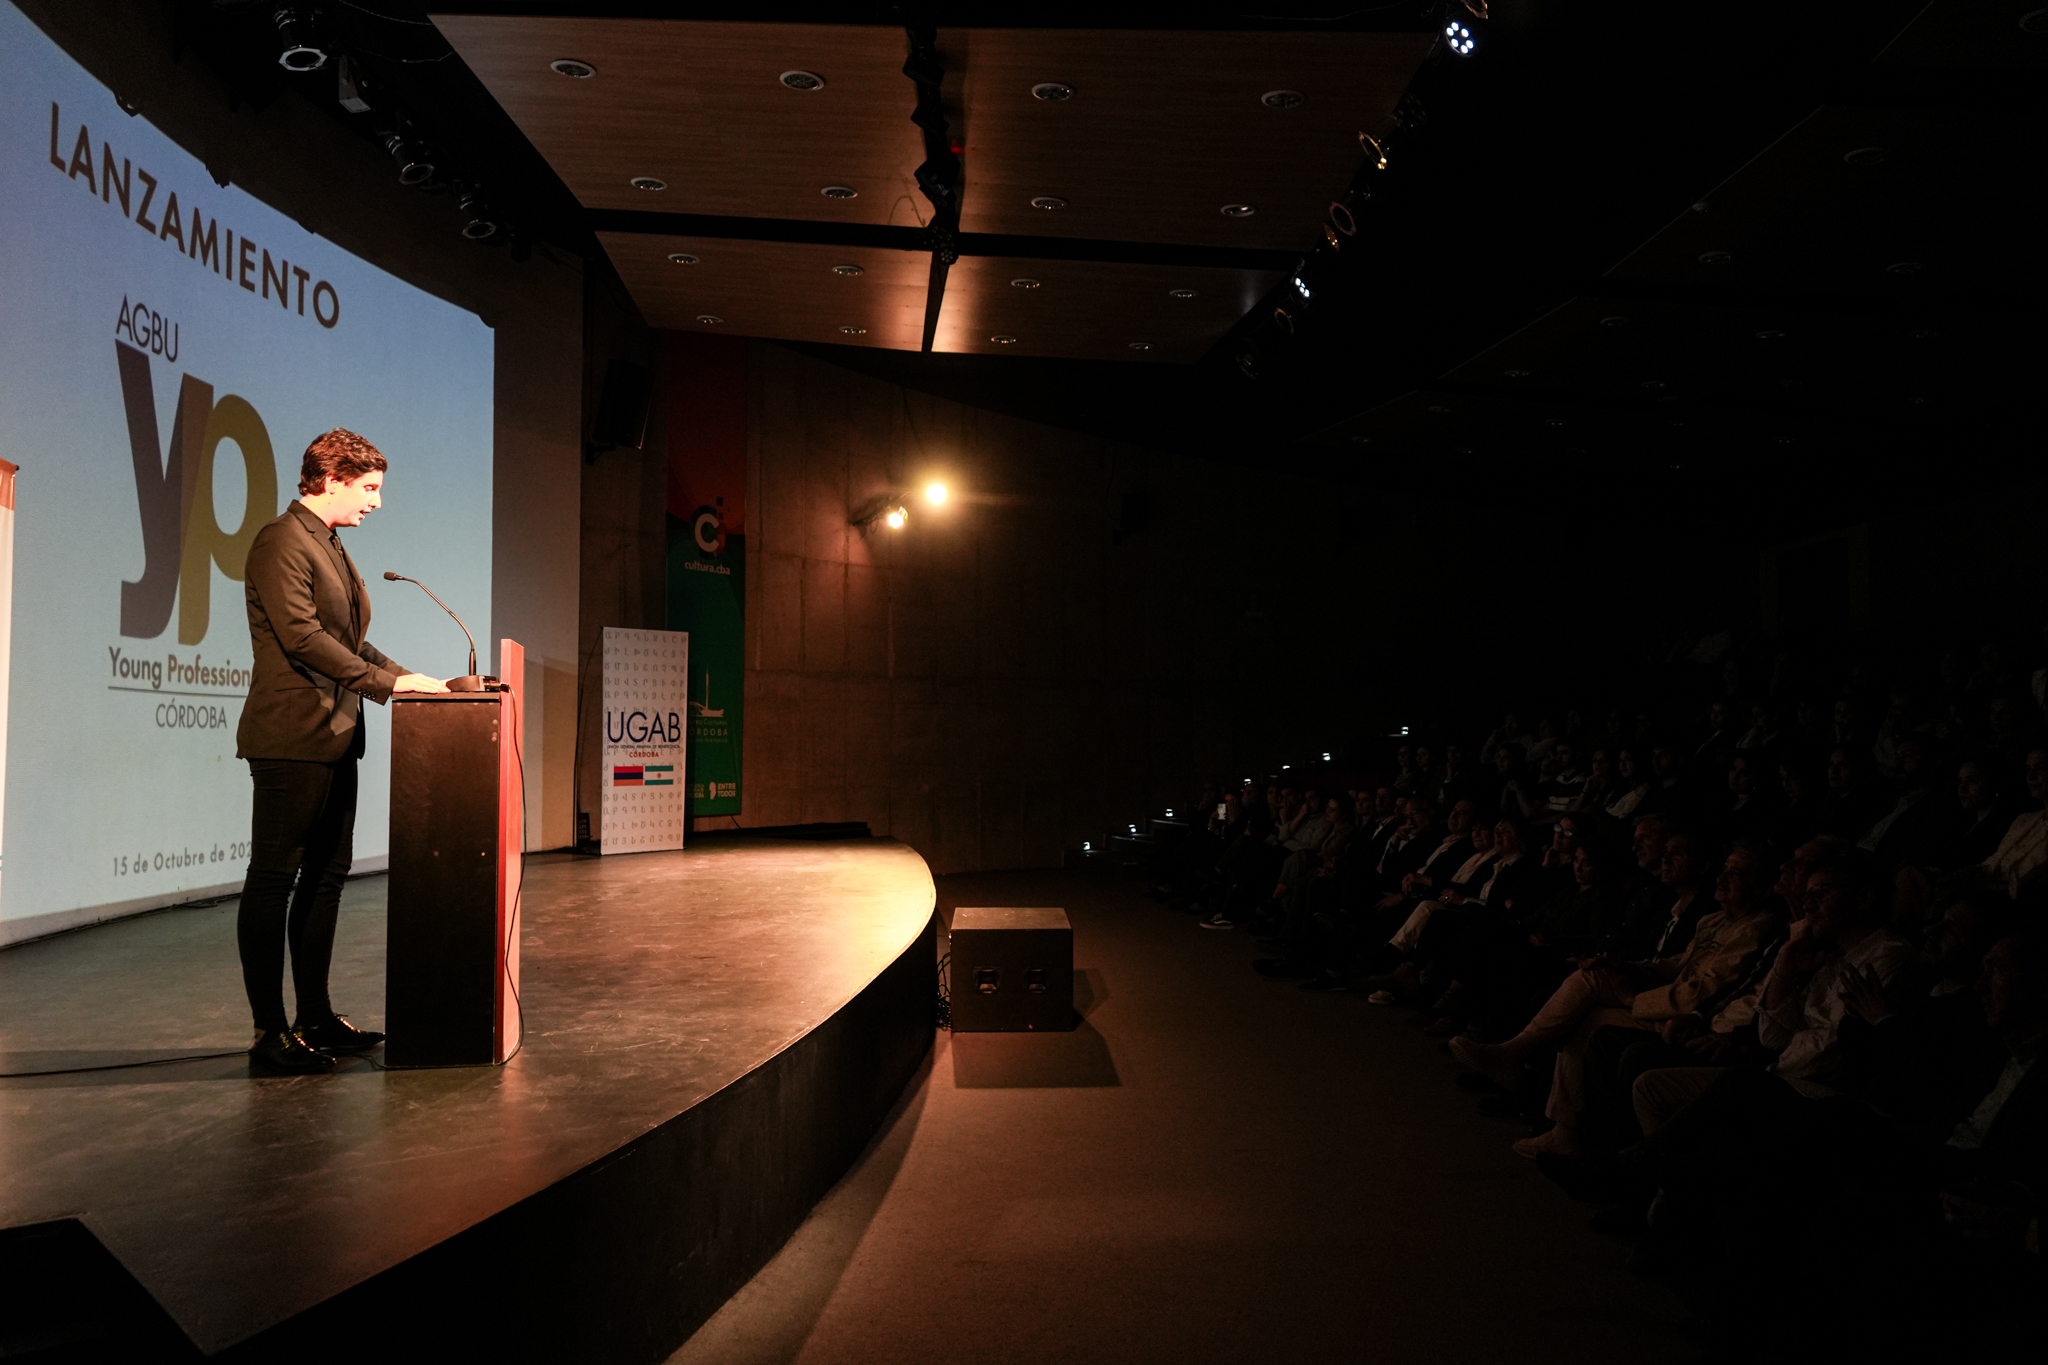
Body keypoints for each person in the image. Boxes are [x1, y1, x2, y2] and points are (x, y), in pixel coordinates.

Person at [235, 429, 448, 1074]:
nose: (376, 501)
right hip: (291, 737)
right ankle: (269, 1033)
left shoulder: (329, 543)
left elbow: (349, 640)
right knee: (274, 878)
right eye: (369, 488)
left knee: (326, 875)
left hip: (336, 734)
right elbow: (302, 638)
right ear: (331, 479)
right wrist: (386, 685)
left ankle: (315, 1017)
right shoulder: (281, 540)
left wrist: (412, 680)